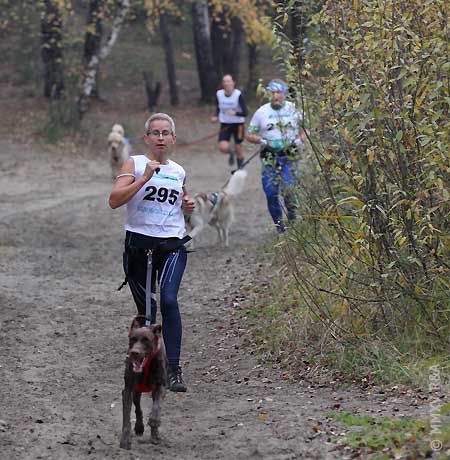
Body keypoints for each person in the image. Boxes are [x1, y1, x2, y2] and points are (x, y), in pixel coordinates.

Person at [109, 113, 195, 392]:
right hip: (138, 247)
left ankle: (174, 369)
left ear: (173, 139)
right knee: (148, 310)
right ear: (146, 138)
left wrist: (188, 208)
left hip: (171, 245)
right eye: (155, 133)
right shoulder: (135, 163)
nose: (160, 138)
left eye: (165, 133)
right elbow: (114, 200)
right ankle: (141, 365)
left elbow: (180, 207)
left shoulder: (179, 171)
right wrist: (143, 179)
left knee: (169, 300)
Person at [246, 79, 306, 233]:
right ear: (268, 95)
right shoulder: (262, 112)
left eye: (279, 93)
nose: (276, 96)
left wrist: (300, 139)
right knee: (271, 192)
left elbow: (305, 130)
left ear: (285, 94)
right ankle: (280, 227)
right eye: (272, 93)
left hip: (289, 156)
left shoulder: (294, 110)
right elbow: (249, 134)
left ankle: (293, 217)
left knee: (289, 189)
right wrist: (261, 140)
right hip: (269, 157)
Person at [211, 74, 248, 168]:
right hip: (225, 124)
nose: (226, 83)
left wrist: (235, 113)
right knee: (222, 147)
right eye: (224, 81)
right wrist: (215, 116)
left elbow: (245, 112)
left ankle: (240, 169)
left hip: (238, 124)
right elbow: (218, 108)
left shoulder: (238, 95)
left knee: (239, 147)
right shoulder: (219, 94)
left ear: (233, 82)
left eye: (228, 81)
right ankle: (231, 153)